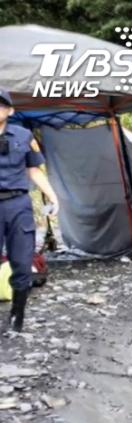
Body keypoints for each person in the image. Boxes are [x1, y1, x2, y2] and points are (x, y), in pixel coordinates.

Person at [0, 88, 59, 333]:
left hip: (17, 205)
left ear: (11, 110)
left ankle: (17, 315)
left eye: (2, 105)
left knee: (22, 263)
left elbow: (33, 170)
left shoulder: (23, 136)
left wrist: (54, 196)